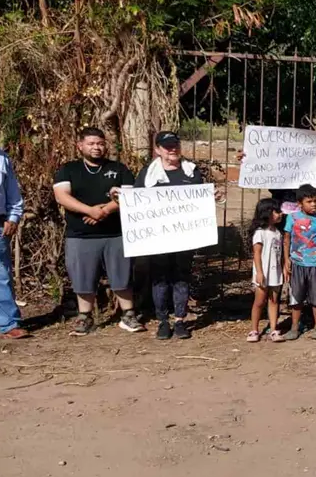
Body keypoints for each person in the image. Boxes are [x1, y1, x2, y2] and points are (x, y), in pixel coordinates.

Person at [53, 127, 140, 336]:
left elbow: (129, 195)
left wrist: (104, 211)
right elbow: (61, 196)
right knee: (82, 278)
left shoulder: (119, 168)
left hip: (116, 234)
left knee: (122, 277)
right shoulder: (68, 169)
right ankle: (85, 317)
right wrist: (89, 210)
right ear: (80, 146)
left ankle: (128, 315)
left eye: (100, 143)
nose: (96, 147)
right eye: (91, 143)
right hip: (80, 235)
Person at [135, 131, 205, 340]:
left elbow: (199, 200)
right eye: (167, 146)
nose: (172, 149)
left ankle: (180, 320)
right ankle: (163, 321)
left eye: (175, 145)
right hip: (158, 237)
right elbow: (136, 201)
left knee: (181, 277)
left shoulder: (191, 171)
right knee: (160, 279)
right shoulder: (147, 174)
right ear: (158, 150)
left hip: (185, 235)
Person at [283, 184, 316, 341]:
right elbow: (286, 238)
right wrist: (286, 259)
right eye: (309, 201)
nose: (313, 204)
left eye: (315, 201)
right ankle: (294, 327)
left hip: (315, 264)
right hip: (297, 263)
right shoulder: (292, 218)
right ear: (300, 203)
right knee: (296, 296)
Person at [235, 148, 316, 214]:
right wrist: (247, 159)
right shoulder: (279, 183)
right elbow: (259, 172)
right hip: (280, 222)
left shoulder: (307, 189)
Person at [0, 146, 27, 340]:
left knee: (0, 275)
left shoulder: (1, 158)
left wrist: (13, 216)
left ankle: (8, 323)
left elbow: (12, 192)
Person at [246, 198, 285, 343]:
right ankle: (254, 330)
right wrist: (260, 272)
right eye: (277, 211)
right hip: (263, 272)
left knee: (274, 300)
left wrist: (283, 268)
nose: (281, 214)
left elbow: (279, 253)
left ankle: (273, 329)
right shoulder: (260, 233)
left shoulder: (278, 233)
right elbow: (257, 253)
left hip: (275, 272)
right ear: (267, 212)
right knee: (259, 301)